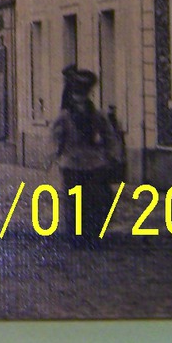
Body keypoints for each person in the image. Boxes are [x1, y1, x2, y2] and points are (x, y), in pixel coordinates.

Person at [50, 66, 122, 246]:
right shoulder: (65, 117)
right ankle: (76, 236)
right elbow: (55, 138)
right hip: (72, 164)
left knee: (98, 200)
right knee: (74, 202)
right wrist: (56, 155)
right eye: (77, 94)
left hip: (94, 164)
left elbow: (109, 136)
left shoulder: (97, 115)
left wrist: (111, 155)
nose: (81, 99)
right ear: (73, 96)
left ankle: (93, 233)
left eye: (84, 94)